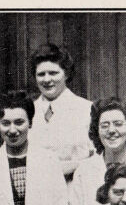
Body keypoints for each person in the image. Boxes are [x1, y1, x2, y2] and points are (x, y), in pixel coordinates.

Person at [28, 43, 94, 182]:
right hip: (36, 191)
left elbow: (97, 157)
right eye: (41, 74)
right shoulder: (27, 111)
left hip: (74, 189)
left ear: (66, 74)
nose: (47, 80)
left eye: (53, 73)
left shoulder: (86, 110)